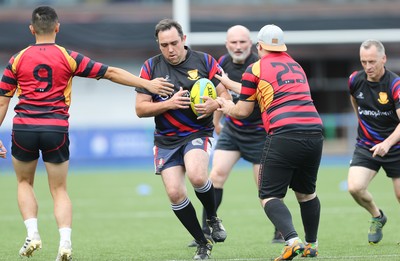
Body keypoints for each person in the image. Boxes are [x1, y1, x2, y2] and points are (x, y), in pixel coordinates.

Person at [0, 6, 174, 261]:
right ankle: (65, 242)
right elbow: (111, 72)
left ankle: (33, 233)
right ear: (58, 28)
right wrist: (146, 83)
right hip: (56, 128)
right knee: (59, 189)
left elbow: (3, 102)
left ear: (31, 29)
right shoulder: (68, 57)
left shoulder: (17, 59)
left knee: (24, 182)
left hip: (24, 127)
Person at [216, 24, 324, 261]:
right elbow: (256, 90)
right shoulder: (296, 66)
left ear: (259, 46)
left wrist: (224, 106)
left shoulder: (255, 68)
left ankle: (292, 241)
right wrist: (228, 82)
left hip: (284, 133)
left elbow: (243, 110)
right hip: (314, 133)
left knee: (268, 195)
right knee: (307, 194)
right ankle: (312, 244)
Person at [135, 18, 231, 260]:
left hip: (196, 132)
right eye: (164, 45)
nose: (170, 49)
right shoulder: (150, 68)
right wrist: (169, 104)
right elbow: (140, 109)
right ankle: (202, 242)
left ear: (184, 39)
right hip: (166, 139)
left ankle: (212, 217)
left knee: (198, 176)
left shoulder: (205, 61)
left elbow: (225, 95)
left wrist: (215, 104)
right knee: (175, 193)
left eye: (174, 43)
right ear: (158, 44)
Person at [187, 25, 283, 248]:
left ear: (251, 44)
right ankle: (206, 231)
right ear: (227, 44)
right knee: (215, 175)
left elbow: (252, 93)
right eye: (234, 43)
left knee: (264, 188)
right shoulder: (222, 64)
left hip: (260, 132)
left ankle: (280, 230)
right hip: (234, 128)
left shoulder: (260, 66)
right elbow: (218, 94)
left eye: (242, 42)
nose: (238, 46)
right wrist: (217, 122)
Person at [347, 39, 400, 245]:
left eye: (372, 61)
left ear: (383, 59)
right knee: (354, 187)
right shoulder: (354, 80)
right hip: (367, 145)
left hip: (395, 146)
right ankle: (378, 216)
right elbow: (354, 100)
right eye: (363, 62)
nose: (368, 67)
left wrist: (387, 143)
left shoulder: (394, 85)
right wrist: (362, 124)